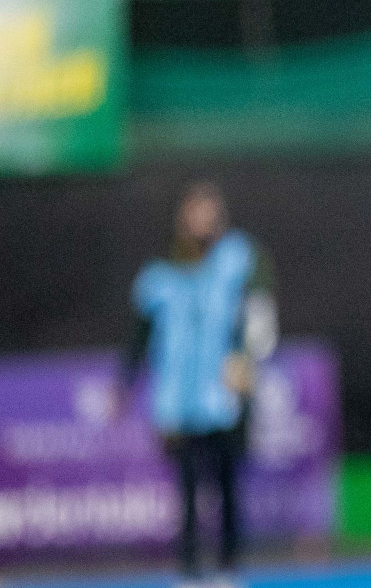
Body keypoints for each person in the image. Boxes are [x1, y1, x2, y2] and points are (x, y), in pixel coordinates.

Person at [121, 182, 276, 588]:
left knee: (226, 482)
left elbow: (259, 313)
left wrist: (247, 357)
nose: (202, 220)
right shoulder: (161, 271)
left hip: (225, 392)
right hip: (179, 398)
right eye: (195, 211)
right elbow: (141, 334)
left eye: (210, 211)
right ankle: (189, 570)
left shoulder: (240, 257)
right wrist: (124, 384)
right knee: (187, 487)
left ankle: (228, 567)